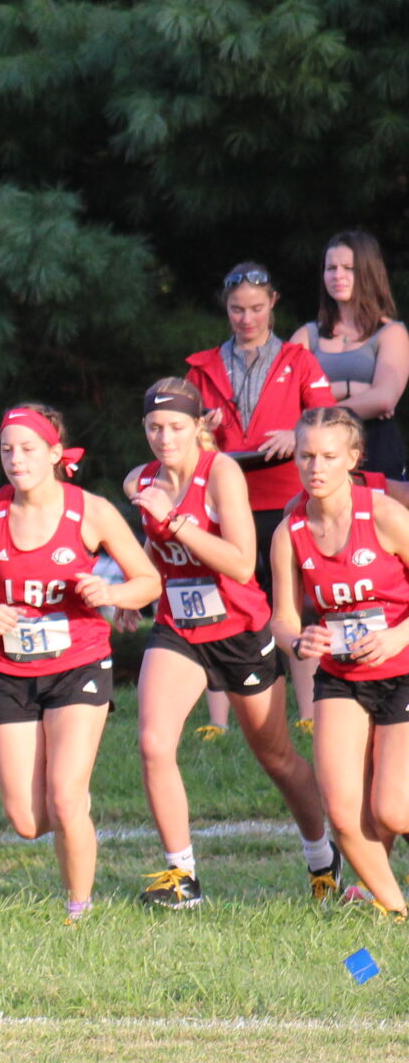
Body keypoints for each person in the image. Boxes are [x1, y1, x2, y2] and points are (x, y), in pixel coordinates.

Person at [121, 380, 334, 908]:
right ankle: (182, 877)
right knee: (153, 743)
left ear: (199, 426)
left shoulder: (221, 474)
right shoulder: (141, 480)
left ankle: (321, 858)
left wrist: (177, 522)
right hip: (179, 629)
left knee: (277, 756)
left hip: (239, 629)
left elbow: (242, 562)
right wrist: (135, 590)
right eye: (153, 427)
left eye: (175, 427)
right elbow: (153, 544)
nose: (164, 438)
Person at [0, 406, 161, 921]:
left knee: (66, 797)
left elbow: (149, 581)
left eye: (27, 449)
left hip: (79, 662)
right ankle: (72, 824)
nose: (15, 460)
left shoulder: (91, 511)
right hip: (8, 668)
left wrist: (111, 591)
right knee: (26, 819)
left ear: (53, 453)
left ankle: (79, 909)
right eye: (6, 449)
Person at [271, 408, 409, 915]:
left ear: (353, 459)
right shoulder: (289, 532)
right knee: (344, 814)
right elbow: (281, 619)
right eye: (306, 456)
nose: (316, 467)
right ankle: (395, 912)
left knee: (392, 809)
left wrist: (397, 636)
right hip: (341, 677)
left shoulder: (385, 515)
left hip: (403, 671)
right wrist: (298, 640)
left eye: (329, 457)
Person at [186, 261, 333, 721]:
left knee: (297, 606)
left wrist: (297, 433)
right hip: (227, 501)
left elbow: (327, 423)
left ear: (272, 304)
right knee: (222, 603)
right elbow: (180, 434)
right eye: (236, 310)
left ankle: (308, 713)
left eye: (254, 308)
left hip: (286, 496)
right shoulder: (203, 366)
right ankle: (219, 720)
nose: (246, 319)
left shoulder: (298, 360)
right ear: (225, 310)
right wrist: (200, 429)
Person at [296, 232, 409, 482]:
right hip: (319, 457)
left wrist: (320, 412)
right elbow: (288, 398)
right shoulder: (307, 334)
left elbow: (383, 399)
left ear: (368, 272)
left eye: (349, 268)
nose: (338, 276)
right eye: (331, 268)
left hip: (376, 449)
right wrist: (350, 388)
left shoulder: (391, 333)